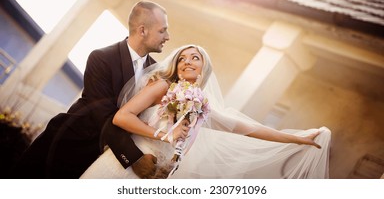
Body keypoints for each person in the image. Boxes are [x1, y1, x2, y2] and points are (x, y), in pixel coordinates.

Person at [80, 44, 331, 179]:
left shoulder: (203, 108)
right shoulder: (162, 86)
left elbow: (251, 129)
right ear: (176, 66)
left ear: (203, 69)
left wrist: (300, 138)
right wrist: (165, 135)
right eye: (182, 58)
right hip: (119, 168)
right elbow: (121, 117)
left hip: (151, 179)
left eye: (195, 58)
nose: (187, 61)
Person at [10, 0, 170, 179]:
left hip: (104, 164)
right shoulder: (101, 58)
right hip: (67, 148)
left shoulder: (157, 74)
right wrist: (134, 158)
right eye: (162, 30)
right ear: (142, 30)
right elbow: (104, 116)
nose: (168, 37)